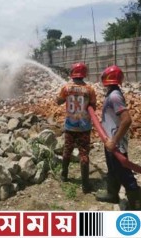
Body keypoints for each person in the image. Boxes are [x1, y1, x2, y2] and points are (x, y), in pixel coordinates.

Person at [95, 65, 141, 210]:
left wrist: (114, 140)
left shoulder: (114, 96)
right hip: (110, 141)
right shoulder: (112, 94)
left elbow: (127, 120)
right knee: (113, 169)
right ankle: (112, 194)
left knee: (123, 172)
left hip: (115, 143)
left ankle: (137, 205)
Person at [55, 63, 97, 193]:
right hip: (84, 127)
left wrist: (64, 96)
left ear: (72, 73)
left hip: (70, 126)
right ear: (84, 74)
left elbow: (58, 102)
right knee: (84, 153)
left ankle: (64, 176)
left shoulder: (66, 88)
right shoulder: (90, 89)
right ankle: (85, 184)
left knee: (67, 149)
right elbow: (93, 107)